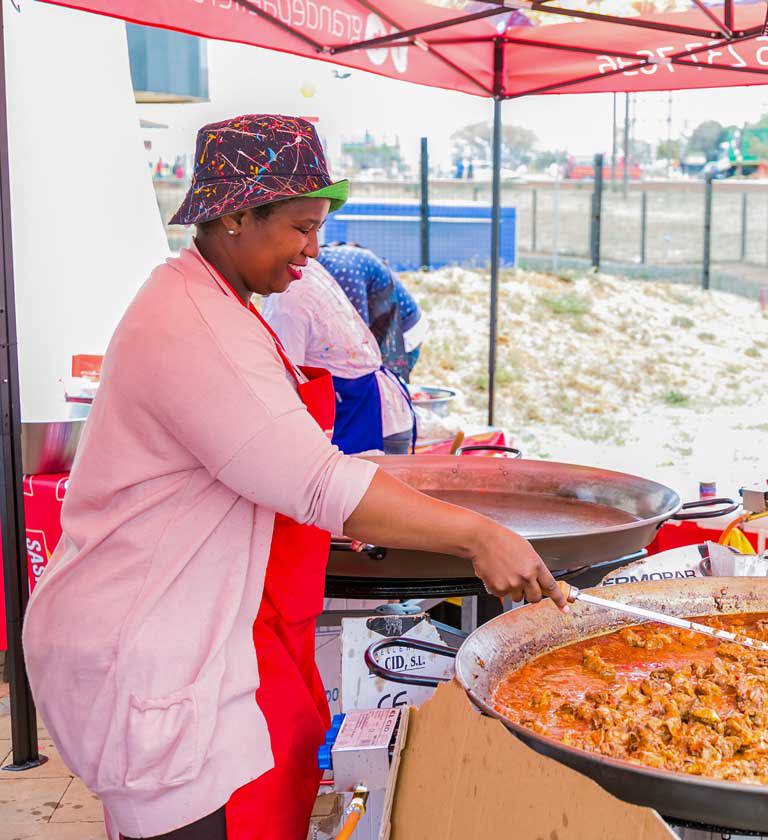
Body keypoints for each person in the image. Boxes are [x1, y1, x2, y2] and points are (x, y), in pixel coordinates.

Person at [22, 114, 564, 840]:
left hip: (188, 630)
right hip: (144, 642)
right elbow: (314, 485)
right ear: (238, 215)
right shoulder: (193, 325)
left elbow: (279, 452)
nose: (315, 250)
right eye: (302, 228)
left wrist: (395, 480)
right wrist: (477, 536)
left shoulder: (216, 302)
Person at [262, 257, 417, 455]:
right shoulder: (306, 271)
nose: (313, 248)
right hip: (383, 412)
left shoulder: (287, 302)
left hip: (369, 417)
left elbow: (283, 390)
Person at [316, 242, 421, 382]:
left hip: (401, 332)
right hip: (380, 325)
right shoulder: (325, 263)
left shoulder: (342, 273)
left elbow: (357, 338)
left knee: (384, 390)